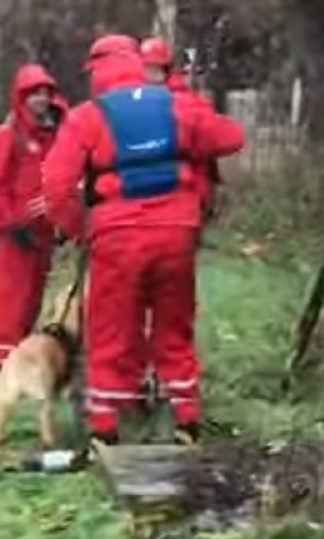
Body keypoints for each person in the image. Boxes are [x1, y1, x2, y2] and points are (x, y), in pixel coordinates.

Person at [42, 43, 244, 449]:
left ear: (97, 72)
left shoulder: (88, 117)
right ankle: (186, 421)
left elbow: (56, 187)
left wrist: (81, 228)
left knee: (111, 329)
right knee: (174, 325)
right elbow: (232, 137)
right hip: (176, 232)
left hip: (117, 236)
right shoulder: (176, 106)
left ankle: (105, 429)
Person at [0, 63, 68, 375]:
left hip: (42, 232)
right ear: (21, 98)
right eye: (34, 94)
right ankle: (2, 367)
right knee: (11, 300)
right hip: (15, 233)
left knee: (32, 298)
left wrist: (61, 222)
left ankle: (19, 359)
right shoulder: (7, 136)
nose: (41, 99)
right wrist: (9, 222)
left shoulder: (50, 136)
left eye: (46, 93)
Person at [140, 36, 222, 223]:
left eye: (154, 68)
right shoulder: (137, 100)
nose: (149, 74)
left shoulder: (189, 103)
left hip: (188, 190)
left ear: (166, 69)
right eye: (146, 68)